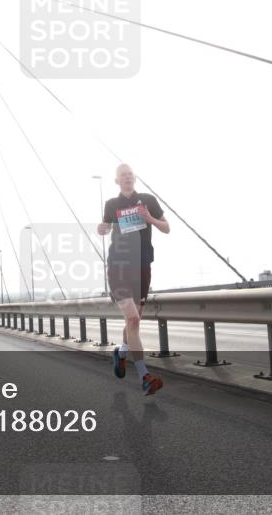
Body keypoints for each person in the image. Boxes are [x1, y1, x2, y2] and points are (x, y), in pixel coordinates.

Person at [97, 164, 170, 396]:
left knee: (133, 322)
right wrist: (102, 228)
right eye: (123, 175)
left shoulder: (148, 200)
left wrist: (150, 218)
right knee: (133, 318)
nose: (127, 178)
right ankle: (144, 376)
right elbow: (105, 228)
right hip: (118, 266)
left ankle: (121, 353)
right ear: (117, 180)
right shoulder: (111, 204)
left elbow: (167, 228)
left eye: (130, 174)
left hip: (142, 266)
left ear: (134, 178)